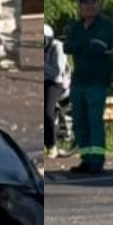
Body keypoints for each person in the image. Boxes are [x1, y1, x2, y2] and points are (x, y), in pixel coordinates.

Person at [63, 0, 113, 174]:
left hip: (97, 81)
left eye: (93, 3)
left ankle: (97, 160)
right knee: (79, 122)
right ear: (80, 7)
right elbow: (67, 47)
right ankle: (85, 159)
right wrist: (86, 43)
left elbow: (100, 45)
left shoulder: (105, 25)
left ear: (98, 5)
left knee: (94, 121)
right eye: (85, 3)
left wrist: (81, 45)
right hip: (79, 82)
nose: (89, 6)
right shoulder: (76, 27)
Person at [42, 23, 71, 155]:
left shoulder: (58, 47)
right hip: (42, 80)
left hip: (56, 83)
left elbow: (56, 72)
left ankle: (52, 145)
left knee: (47, 112)